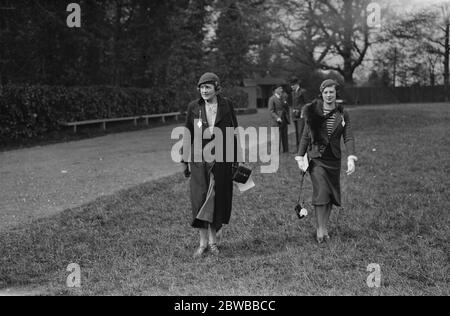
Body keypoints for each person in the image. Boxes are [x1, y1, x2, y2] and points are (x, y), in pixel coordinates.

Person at [182, 72, 239, 258]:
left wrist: (236, 158)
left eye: (208, 87)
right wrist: (185, 160)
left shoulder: (226, 105)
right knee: (200, 200)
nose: (204, 90)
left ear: (216, 87)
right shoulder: (194, 107)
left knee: (216, 199)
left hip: (221, 160)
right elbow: (187, 134)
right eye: (201, 87)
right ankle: (202, 243)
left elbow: (234, 131)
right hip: (199, 161)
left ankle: (213, 243)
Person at [295, 79, 358, 244]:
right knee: (321, 193)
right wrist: (300, 156)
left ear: (336, 93)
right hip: (317, 159)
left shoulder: (343, 113)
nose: (329, 95)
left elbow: (348, 136)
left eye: (332, 92)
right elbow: (306, 135)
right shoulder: (313, 111)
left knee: (330, 195)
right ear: (321, 94)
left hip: (334, 160)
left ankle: (324, 227)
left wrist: (351, 157)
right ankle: (320, 230)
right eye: (326, 92)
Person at [269, 85, 290, 153]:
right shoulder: (272, 99)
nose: (281, 90)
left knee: (284, 136)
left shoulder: (283, 98)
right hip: (277, 121)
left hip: (284, 120)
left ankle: (286, 150)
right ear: (276, 90)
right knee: (277, 136)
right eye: (280, 88)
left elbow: (287, 108)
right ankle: (276, 151)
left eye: (282, 88)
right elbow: (271, 111)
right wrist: (277, 118)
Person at [290, 77, 307, 152]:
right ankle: (298, 149)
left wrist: (302, 112)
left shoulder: (303, 91)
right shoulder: (293, 93)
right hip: (295, 115)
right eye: (291, 85)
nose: (291, 87)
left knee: (301, 133)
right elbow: (293, 104)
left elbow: (306, 103)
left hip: (301, 115)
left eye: (293, 85)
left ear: (297, 84)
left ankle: (302, 149)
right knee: (297, 132)